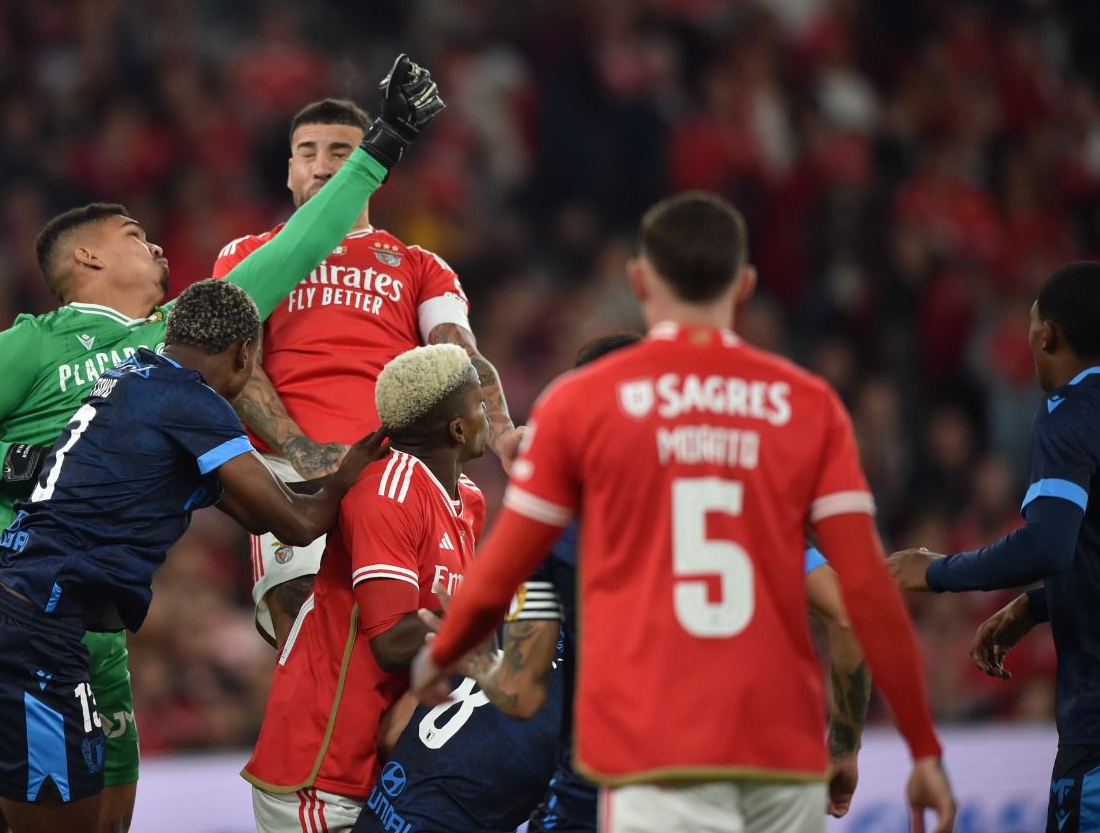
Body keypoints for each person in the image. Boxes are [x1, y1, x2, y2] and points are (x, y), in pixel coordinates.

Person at [0, 54, 444, 833]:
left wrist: (381, 146)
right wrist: (18, 461)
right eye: (134, 234)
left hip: (93, 611)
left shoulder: (181, 334)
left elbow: (295, 247)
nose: (156, 247)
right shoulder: (34, 344)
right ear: (88, 257)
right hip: (5, 571)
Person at [412, 191, 956, 833]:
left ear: (640, 282)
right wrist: (906, 746)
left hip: (657, 765)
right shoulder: (806, 406)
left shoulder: (581, 405)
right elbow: (860, 597)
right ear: (746, 283)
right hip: (782, 766)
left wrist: (441, 653)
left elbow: (504, 568)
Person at [0, 278, 389, 833]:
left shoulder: (130, 378)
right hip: (35, 638)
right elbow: (299, 521)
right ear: (244, 354)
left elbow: (264, 515)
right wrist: (353, 474)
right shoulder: (192, 402)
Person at [359, 334, 871, 833]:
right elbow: (847, 615)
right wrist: (843, 749)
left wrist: (472, 663)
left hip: (524, 781)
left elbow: (510, 683)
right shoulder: (743, 501)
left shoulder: (556, 514)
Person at [215, 98, 518, 649]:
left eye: (341, 152)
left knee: (425, 655)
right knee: (312, 646)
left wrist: (502, 432)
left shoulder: (419, 264)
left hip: (401, 480)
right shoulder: (250, 254)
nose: (323, 166)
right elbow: (238, 368)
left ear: (369, 173)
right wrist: (305, 452)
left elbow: (458, 355)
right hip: (293, 480)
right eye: (307, 152)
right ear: (288, 170)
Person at [889, 260, 1100, 833]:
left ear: (1045, 335)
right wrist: (1034, 606)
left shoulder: (1069, 414)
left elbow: (1048, 545)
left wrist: (936, 571)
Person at [243, 342, 489, 832]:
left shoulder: (469, 502)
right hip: (323, 772)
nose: (489, 414)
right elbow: (393, 642)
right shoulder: (385, 494)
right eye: (479, 404)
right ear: (457, 429)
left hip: (385, 770)